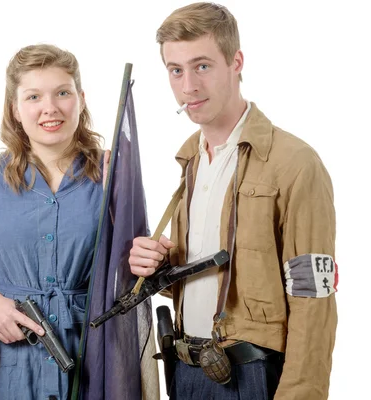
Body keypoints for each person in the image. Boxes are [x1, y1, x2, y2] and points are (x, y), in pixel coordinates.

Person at [129, 3, 337, 399]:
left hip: (253, 377)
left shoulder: (294, 163)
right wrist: (159, 266)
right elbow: (224, 275)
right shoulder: (190, 160)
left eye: (202, 66)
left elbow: (313, 296)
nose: (188, 85)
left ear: (236, 62)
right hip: (186, 372)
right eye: (175, 70)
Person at [0, 44, 109, 400]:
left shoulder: (113, 171)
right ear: (15, 108)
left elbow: (133, 263)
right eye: (33, 97)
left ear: (81, 98)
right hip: (13, 356)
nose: (50, 108)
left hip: (92, 352)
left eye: (62, 92)